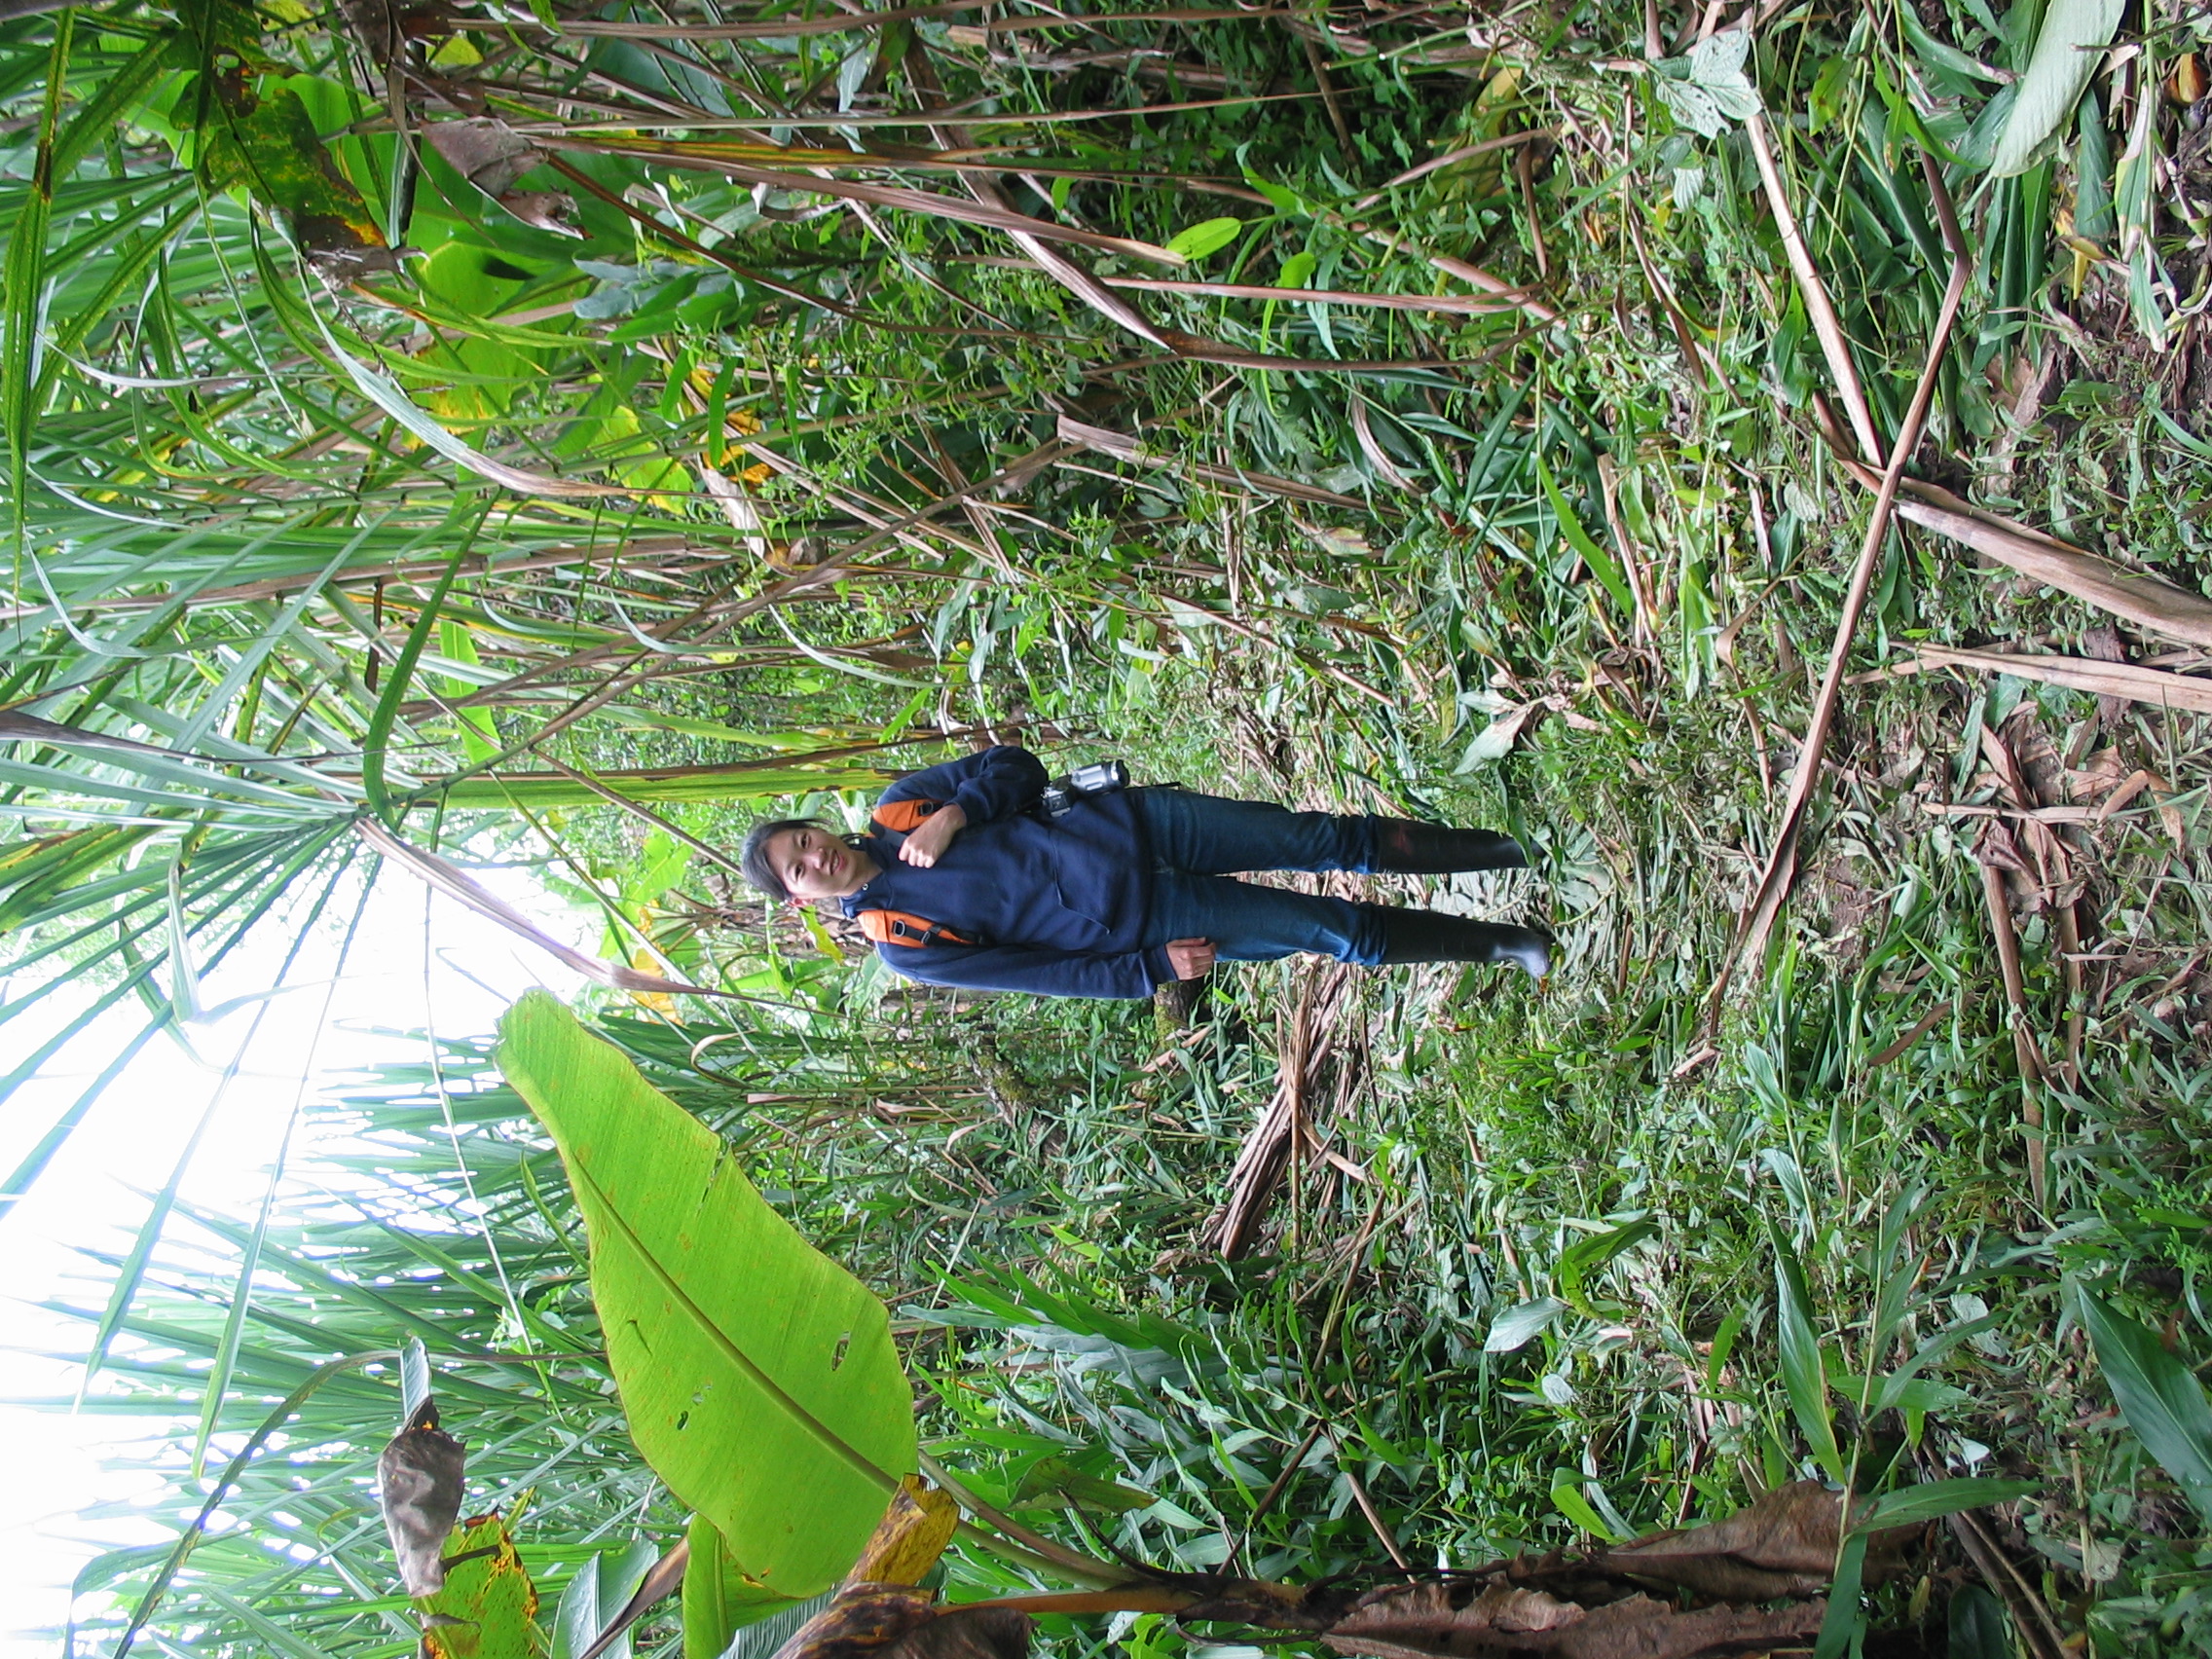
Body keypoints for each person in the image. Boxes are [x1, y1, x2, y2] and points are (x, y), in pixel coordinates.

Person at [738, 745, 1550, 1000]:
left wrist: (957, 812)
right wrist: (1149, 970)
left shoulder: (902, 808)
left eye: (802, 841)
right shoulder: (902, 944)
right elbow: (1040, 974)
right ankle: (1504, 944)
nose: (814, 858)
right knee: (1335, 932)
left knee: (1323, 838)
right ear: (801, 899)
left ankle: (1502, 851)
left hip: (1139, 823)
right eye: (798, 871)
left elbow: (1016, 765)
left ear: (815, 825)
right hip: (1149, 919)